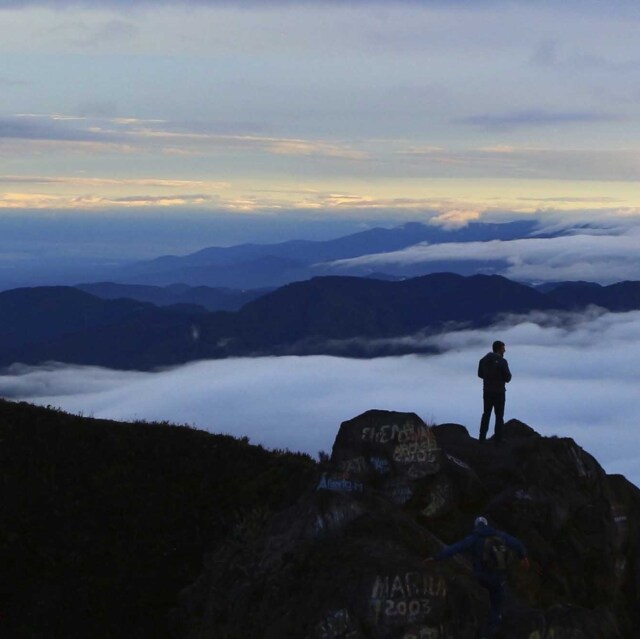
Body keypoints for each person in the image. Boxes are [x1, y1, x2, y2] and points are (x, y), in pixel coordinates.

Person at [425, 516, 529, 639]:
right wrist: (523, 556)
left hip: (481, 578)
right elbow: (516, 543)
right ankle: (486, 635)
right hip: (498, 579)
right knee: (497, 608)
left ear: (476, 526)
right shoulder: (500, 536)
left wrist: (436, 558)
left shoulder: (473, 538)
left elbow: (454, 548)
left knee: (471, 597)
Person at [478, 340, 512, 443]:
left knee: (486, 414)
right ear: (499, 348)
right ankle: (498, 439)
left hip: (487, 391)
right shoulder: (502, 361)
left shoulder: (483, 360)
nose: (505, 350)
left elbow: (480, 374)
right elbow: (508, 377)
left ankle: (482, 438)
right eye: (503, 348)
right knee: (499, 416)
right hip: (499, 392)